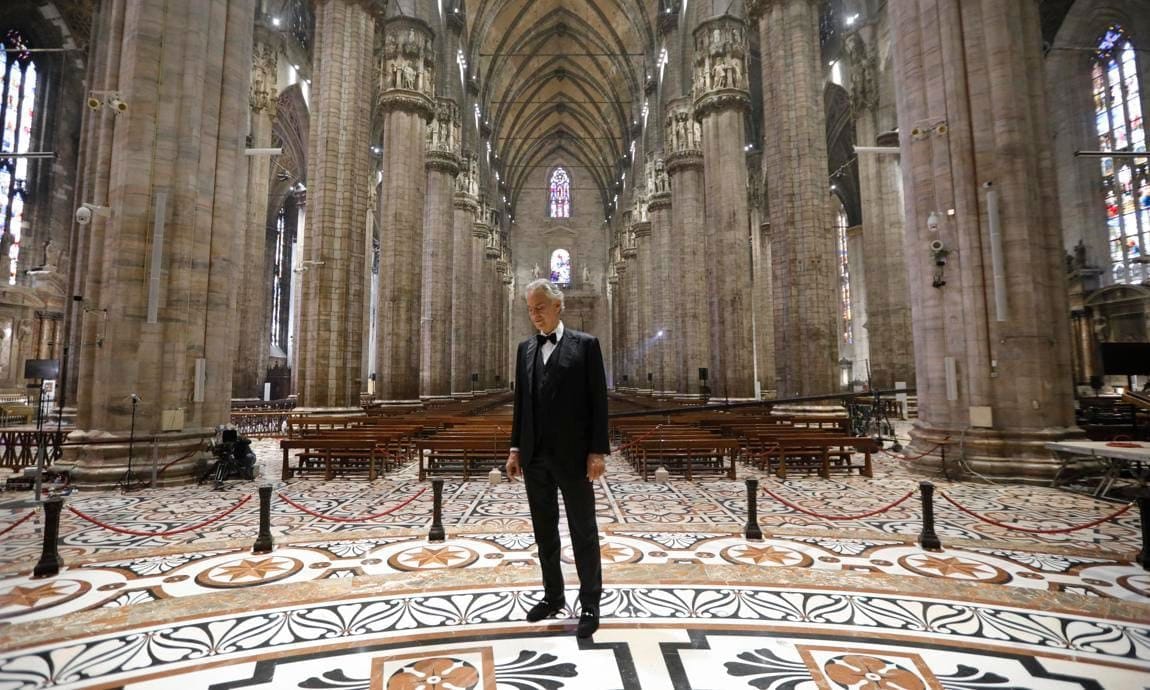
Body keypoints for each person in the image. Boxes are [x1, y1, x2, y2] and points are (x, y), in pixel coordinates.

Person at [506, 278, 609, 638]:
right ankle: (552, 595)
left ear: (557, 306)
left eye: (540, 307)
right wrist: (515, 449)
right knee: (544, 531)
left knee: (584, 531)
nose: (535, 315)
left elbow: (599, 403)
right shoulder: (525, 350)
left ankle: (591, 602)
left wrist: (597, 451)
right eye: (530, 309)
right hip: (535, 458)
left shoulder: (586, 346)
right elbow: (522, 405)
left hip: (574, 456)